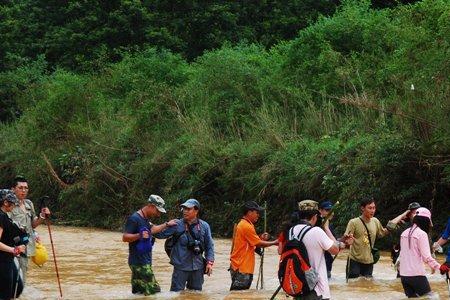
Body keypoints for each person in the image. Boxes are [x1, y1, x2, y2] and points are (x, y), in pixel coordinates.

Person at [287, 200, 353, 300]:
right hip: (317, 290)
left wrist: (341, 241)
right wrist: (326, 228)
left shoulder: (291, 230)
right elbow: (335, 250)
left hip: (298, 286)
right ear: (314, 216)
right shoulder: (316, 231)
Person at [154, 199, 214, 292]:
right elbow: (159, 234)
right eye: (184, 209)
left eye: (188, 209)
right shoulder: (176, 224)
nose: (185, 211)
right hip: (180, 267)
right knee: (176, 294)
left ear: (196, 210)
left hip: (198, 267)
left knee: (195, 295)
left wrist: (209, 263)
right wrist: (150, 225)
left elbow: (209, 246)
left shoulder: (204, 226)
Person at [122, 194, 177, 295]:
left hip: (142, 261)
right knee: (155, 292)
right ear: (151, 206)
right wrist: (140, 235)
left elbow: (152, 230)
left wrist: (166, 224)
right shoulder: (134, 219)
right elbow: (125, 237)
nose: (158, 214)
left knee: (139, 293)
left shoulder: (145, 219)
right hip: (140, 263)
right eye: (157, 211)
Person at [344, 197, 408, 279]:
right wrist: (347, 241)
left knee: (368, 287)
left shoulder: (375, 221)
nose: (372, 210)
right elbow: (345, 239)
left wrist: (399, 218)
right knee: (353, 286)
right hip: (354, 261)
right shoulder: (353, 222)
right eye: (370, 208)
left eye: (374, 208)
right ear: (362, 208)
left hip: (369, 261)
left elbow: (384, 231)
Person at [399, 207, 449, 298]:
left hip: (403, 276)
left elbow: (404, 255)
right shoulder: (422, 234)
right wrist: (440, 267)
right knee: (430, 297)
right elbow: (427, 257)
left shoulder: (404, 233)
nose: (430, 225)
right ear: (425, 221)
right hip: (417, 276)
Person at [9, 176, 51, 283]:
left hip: (27, 246)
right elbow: (5, 224)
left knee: (23, 274)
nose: (24, 190)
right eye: (20, 187)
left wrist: (42, 216)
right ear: (13, 189)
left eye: (26, 188)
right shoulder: (8, 205)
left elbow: (33, 224)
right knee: (13, 276)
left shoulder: (29, 204)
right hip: (13, 246)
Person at [229, 201, 278, 290]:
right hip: (242, 268)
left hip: (239, 266)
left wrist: (260, 238)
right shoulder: (246, 226)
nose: (258, 215)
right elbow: (258, 243)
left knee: (238, 295)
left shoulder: (245, 224)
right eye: (256, 212)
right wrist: (275, 242)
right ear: (249, 212)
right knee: (239, 295)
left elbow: (251, 242)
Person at [0, 189, 26, 300]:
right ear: (5, 202)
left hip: (8, 260)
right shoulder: (1, 217)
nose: (14, 205)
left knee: (17, 288)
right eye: (12, 202)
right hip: (3, 261)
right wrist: (14, 250)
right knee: (5, 294)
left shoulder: (5, 216)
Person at [318, 201, 336, 279]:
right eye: (327, 210)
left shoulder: (329, 225)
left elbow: (332, 241)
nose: (330, 213)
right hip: (319, 265)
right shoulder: (317, 226)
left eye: (332, 211)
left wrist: (343, 240)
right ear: (320, 210)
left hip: (327, 263)